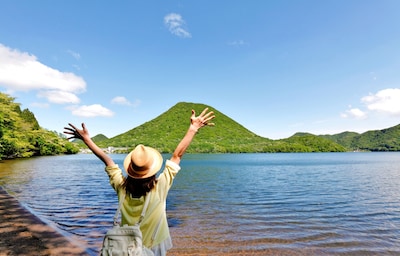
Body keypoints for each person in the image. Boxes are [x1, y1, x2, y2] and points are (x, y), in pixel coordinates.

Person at [64, 108, 215, 256]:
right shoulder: (160, 187)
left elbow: (107, 159)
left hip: (126, 247)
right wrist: (193, 128)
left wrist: (87, 140)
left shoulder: (121, 187)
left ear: (130, 169)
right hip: (154, 246)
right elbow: (177, 155)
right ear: (152, 170)